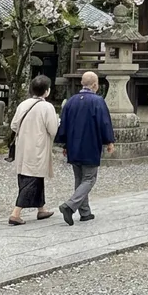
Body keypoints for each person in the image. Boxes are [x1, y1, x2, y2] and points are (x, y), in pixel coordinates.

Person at [55, 71, 115, 226]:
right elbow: (104, 123)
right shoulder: (97, 101)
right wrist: (109, 141)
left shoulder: (71, 101)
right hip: (90, 144)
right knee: (89, 178)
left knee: (79, 178)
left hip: (73, 145)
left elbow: (64, 124)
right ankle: (70, 206)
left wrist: (64, 144)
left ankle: (85, 212)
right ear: (95, 85)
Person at [8, 75, 59, 226]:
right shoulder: (47, 107)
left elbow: (13, 125)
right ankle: (15, 213)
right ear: (47, 91)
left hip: (23, 146)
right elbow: (53, 129)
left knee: (31, 176)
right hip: (38, 146)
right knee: (32, 178)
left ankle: (41, 208)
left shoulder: (23, 104)